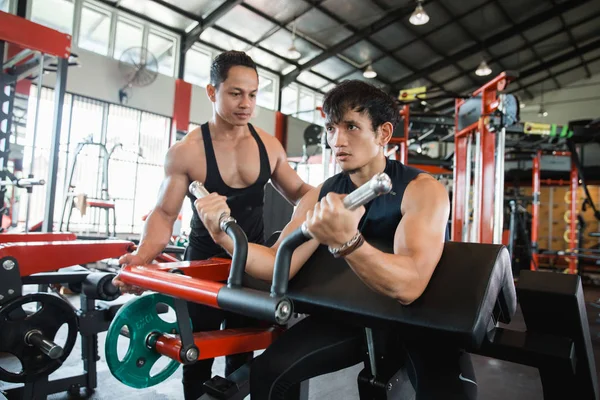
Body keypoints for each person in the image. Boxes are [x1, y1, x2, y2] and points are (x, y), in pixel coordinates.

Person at [195, 79, 478, 399]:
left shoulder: (422, 189)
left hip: (418, 323)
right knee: (268, 373)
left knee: (452, 395)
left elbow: (409, 287)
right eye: (331, 128)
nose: (337, 139)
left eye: (351, 127)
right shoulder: (325, 193)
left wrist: (348, 242)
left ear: (383, 134)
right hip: (354, 316)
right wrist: (224, 237)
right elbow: (279, 264)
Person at [112, 50, 313, 400]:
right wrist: (141, 259)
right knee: (197, 356)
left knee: (242, 352)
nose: (246, 103)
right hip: (203, 267)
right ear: (211, 91)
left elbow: (301, 193)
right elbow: (163, 214)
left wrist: (338, 201)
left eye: (252, 94)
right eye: (235, 93)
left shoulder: (268, 146)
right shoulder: (187, 151)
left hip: (252, 265)